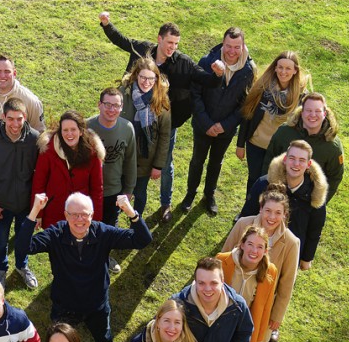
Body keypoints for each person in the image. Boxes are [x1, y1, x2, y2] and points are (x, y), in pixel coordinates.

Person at [99, 12, 223, 221]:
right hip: (134, 122)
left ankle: (165, 203)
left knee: (165, 164)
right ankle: (121, 202)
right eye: (169, 42)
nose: (172, 47)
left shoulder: (183, 62)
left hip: (166, 124)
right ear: (159, 39)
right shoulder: (142, 50)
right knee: (127, 162)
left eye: (175, 43)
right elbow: (122, 41)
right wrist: (106, 24)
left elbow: (204, 79)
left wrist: (218, 75)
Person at [18, 192, 152, 342]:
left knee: (104, 338)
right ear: (65, 215)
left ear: (92, 215)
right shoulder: (56, 234)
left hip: (96, 304)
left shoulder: (103, 232)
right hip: (65, 305)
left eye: (85, 214)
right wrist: (34, 211)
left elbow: (143, 240)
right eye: (74, 214)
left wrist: (131, 212)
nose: (79, 220)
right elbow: (23, 247)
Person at [225, 186, 300, 342]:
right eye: (268, 211)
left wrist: (276, 317)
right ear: (261, 209)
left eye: (278, 213)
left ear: (284, 215)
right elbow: (225, 257)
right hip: (234, 297)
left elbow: (287, 285)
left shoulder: (291, 242)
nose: (272, 217)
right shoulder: (243, 225)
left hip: (263, 306)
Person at [184, 27, 256, 215]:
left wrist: (224, 125)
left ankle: (209, 195)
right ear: (222, 44)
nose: (232, 51)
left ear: (243, 46)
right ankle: (190, 195)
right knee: (197, 161)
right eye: (228, 46)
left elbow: (245, 104)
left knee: (216, 162)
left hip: (226, 129)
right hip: (202, 126)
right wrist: (207, 124)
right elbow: (196, 94)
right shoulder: (207, 62)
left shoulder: (249, 70)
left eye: (236, 47)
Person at [0, 97, 41, 290]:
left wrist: (37, 211)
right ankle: (1, 270)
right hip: (1, 206)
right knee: (0, 242)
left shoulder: (35, 140)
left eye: (19, 119)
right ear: (3, 117)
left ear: (25, 117)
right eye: (10, 118)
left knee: (23, 241)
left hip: (26, 207)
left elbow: (42, 175)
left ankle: (22, 266)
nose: (15, 124)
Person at [211, 226, 277, 342]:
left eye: (260, 247)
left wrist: (258, 339)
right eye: (250, 244)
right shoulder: (222, 260)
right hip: (219, 322)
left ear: (265, 251)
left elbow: (265, 307)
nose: (254, 251)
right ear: (241, 244)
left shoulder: (270, 271)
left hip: (244, 327)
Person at [240, 140, 328, 270]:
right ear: (285, 160)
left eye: (301, 160)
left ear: (308, 164)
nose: (296, 164)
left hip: (288, 254)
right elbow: (247, 214)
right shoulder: (263, 184)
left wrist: (307, 257)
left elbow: (315, 230)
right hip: (256, 250)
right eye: (292, 158)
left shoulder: (315, 195)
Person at [237, 51, 311, 200]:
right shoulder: (262, 88)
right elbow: (247, 115)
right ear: (275, 68)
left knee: (274, 183)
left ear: (295, 70)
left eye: (288, 68)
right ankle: (248, 210)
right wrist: (240, 144)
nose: (283, 72)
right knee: (254, 179)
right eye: (280, 67)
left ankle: (267, 213)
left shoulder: (301, 97)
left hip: (281, 149)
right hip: (256, 144)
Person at [87, 88, 137, 273]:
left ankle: (104, 257)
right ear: (99, 105)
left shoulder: (127, 128)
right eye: (107, 104)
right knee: (86, 225)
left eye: (116, 105)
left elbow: (131, 161)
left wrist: (129, 189)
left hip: (114, 191)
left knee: (109, 228)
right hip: (89, 190)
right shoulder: (87, 127)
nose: (111, 109)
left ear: (121, 107)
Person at [262, 92, 344, 201]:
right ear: (302, 112)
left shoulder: (333, 146)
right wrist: (267, 190)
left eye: (317, 111)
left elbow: (335, 177)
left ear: (324, 114)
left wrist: (319, 201)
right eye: (309, 110)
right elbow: (269, 159)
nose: (313, 115)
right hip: (278, 195)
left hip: (306, 201)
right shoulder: (284, 132)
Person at [31, 110, 105, 229]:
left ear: (81, 131)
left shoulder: (93, 151)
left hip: (81, 214)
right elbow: (39, 183)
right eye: (65, 130)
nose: (69, 134)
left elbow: (97, 189)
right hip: (53, 213)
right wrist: (37, 213)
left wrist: (95, 220)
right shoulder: (48, 149)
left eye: (73, 130)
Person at [119, 59, 171, 218]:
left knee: (140, 193)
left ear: (156, 79)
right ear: (135, 76)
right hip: (122, 156)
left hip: (145, 159)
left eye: (150, 79)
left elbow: (164, 136)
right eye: (142, 77)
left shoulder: (161, 101)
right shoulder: (123, 94)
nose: (146, 82)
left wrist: (158, 165)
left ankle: (136, 219)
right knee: (118, 191)